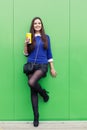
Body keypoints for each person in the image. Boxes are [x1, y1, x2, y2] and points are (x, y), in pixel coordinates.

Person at [23, 17, 57, 127]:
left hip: (42, 65)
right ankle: (36, 117)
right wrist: (25, 44)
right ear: (33, 26)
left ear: (41, 25)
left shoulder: (46, 38)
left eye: (39, 23)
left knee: (31, 83)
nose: (37, 25)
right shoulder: (30, 37)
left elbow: (49, 53)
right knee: (33, 91)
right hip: (31, 65)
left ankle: (43, 94)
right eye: (35, 23)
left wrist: (52, 67)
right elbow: (26, 54)